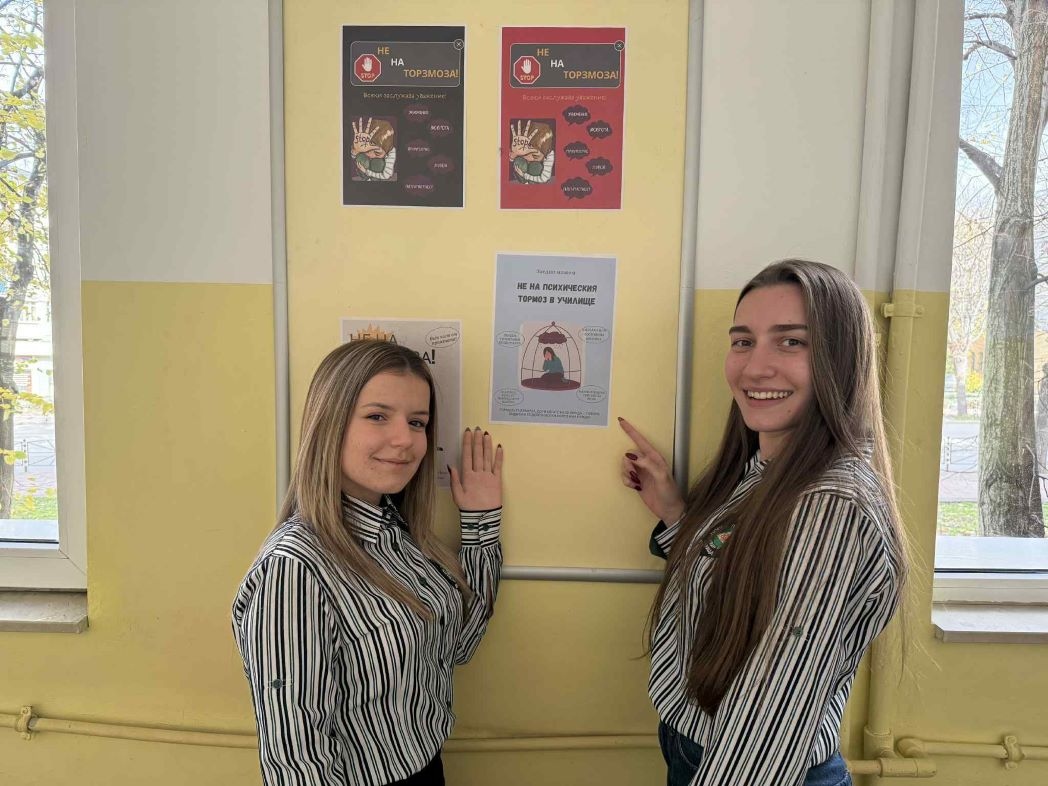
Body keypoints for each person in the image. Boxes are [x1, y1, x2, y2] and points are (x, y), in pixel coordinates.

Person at [618, 259, 906, 786]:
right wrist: (677, 515)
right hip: (698, 747)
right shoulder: (767, 470)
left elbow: (768, 720)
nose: (754, 368)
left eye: (791, 342)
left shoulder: (830, 504)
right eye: (743, 341)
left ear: (841, 359)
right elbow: (737, 577)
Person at [232, 339, 504, 786]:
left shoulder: (401, 536)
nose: (405, 440)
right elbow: (297, 760)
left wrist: (481, 522)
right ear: (330, 422)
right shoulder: (295, 569)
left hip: (427, 765)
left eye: (417, 422)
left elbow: (460, 645)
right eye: (377, 416)